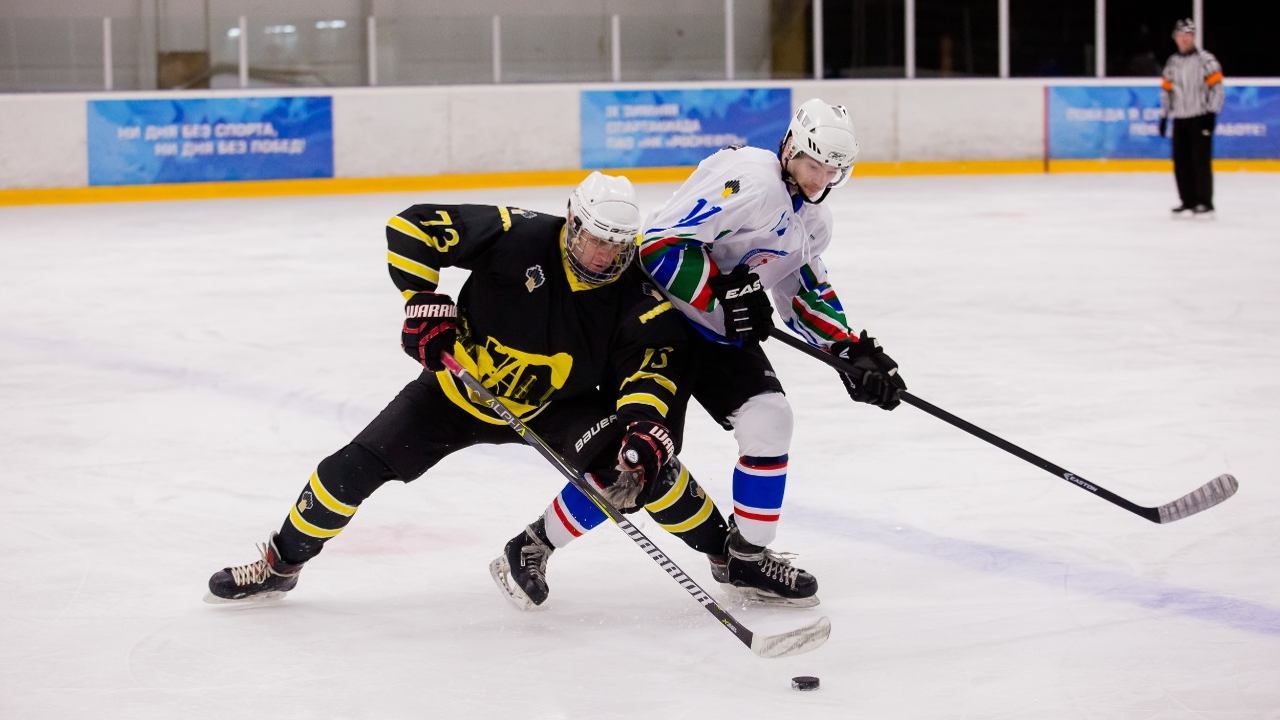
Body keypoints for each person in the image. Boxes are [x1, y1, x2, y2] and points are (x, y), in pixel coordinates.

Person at [205, 172, 733, 604]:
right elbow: (411, 226)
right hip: (453, 396)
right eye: (594, 238)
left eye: (615, 246)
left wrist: (644, 426)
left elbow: (648, 367)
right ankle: (280, 564)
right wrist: (421, 298)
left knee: (644, 467)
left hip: (554, 407)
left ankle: (729, 557)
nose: (601, 256)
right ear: (572, 220)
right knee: (345, 472)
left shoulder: (634, 293)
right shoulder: (519, 234)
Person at [500, 99, 906, 608]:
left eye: (831, 171)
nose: (818, 179)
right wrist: (721, 294)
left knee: (770, 419)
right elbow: (658, 247)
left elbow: (801, 288)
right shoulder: (749, 179)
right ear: (789, 147)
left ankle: (747, 559)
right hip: (656, 324)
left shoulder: (815, 222)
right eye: (812, 164)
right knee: (637, 457)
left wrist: (848, 349)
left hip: (718, 334)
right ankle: (532, 544)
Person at [1159, 18, 1224, 216]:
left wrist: (1211, 113)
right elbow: (1166, 90)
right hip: (1180, 118)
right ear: (1175, 38)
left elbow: (1217, 88)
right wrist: (1164, 116)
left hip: (1200, 116)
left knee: (1200, 160)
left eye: (1188, 35)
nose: (1184, 39)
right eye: (1181, 35)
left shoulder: (1206, 60)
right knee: (1181, 161)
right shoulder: (1172, 62)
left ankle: (1204, 201)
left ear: (1194, 37)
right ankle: (1187, 200)